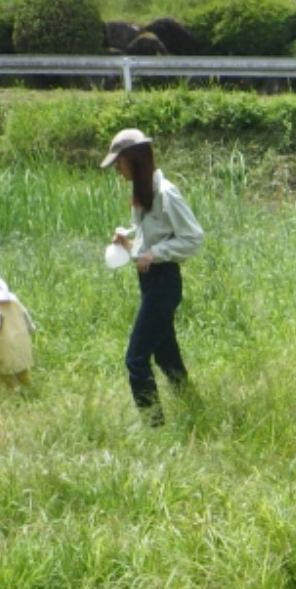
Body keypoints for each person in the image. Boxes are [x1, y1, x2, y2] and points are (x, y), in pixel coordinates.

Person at [101, 128, 204, 425]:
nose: (118, 171)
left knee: (135, 359)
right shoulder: (145, 193)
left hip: (164, 284)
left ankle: (154, 426)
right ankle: (194, 409)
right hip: (152, 283)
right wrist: (130, 246)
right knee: (166, 356)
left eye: (118, 164)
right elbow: (148, 249)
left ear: (133, 159)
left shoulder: (166, 193)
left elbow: (193, 238)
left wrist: (154, 253)